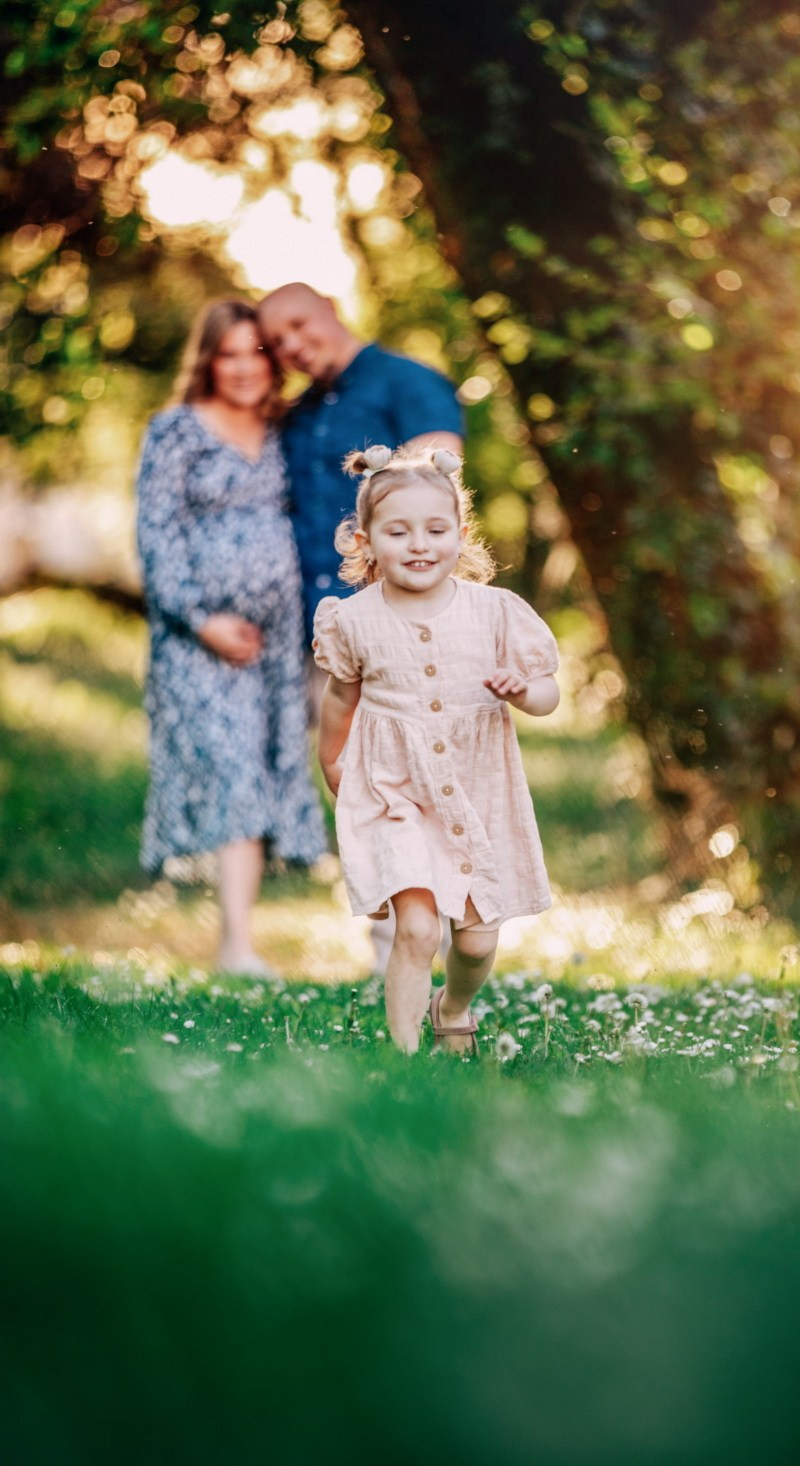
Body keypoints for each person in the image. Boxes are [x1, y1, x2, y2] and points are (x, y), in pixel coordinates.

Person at [312, 444, 560, 1053]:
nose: (419, 544)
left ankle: (452, 1006)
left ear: (460, 533)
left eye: (435, 529)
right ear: (366, 540)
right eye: (398, 531)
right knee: (417, 930)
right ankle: (405, 1059)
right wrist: (330, 758)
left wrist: (525, 690)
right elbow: (341, 699)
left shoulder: (496, 611)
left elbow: (548, 694)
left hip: (479, 793)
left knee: (475, 942)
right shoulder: (353, 620)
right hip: (395, 791)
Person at [257, 280, 464, 976]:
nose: (289, 344)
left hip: (404, 629)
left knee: (426, 781)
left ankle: (458, 937)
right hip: (325, 634)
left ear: (329, 307)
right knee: (359, 787)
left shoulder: (408, 383)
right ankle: (393, 951)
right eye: (275, 339)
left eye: (296, 324)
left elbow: (439, 498)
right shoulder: (299, 414)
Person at [136, 298, 327, 976]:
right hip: (197, 639)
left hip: (276, 646)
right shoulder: (175, 432)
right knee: (232, 770)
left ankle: (239, 944)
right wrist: (201, 618)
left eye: (256, 352)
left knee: (266, 769)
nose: (244, 367)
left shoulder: (286, 429)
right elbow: (156, 536)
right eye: (229, 353)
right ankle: (237, 946)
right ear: (209, 359)